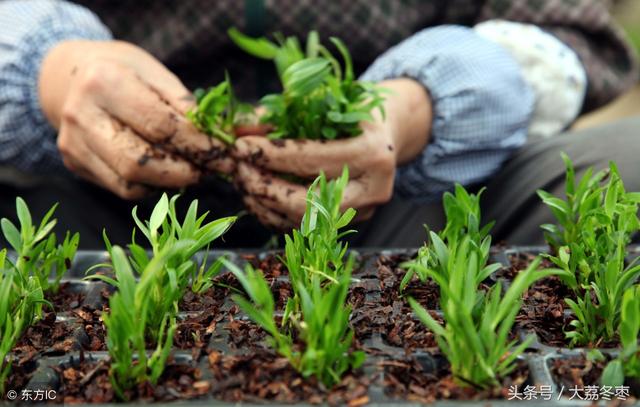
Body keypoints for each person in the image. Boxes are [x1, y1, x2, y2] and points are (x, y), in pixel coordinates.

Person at [0, 0, 638, 248]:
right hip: (99, 203)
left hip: (412, 203)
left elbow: (574, 35)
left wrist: (421, 106)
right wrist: (51, 72)